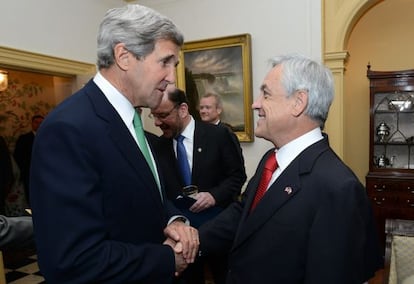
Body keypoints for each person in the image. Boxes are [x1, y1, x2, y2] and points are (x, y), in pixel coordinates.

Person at [30, 5, 199, 283]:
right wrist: (167, 259)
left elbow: (140, 196)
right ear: (124, 56)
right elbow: (72, 260)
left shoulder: (130, 120)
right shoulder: (68, 129)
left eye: (175, 65)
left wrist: (173, 221)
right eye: (165, 62)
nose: (171, 77)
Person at [198, 54, 383, 284]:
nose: (255, 104)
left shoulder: (338, 188)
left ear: (298, 102)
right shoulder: (271, 159)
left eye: (265, 94)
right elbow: (244, 214)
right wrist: (194, 239)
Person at [150, 86, 247, 284]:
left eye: (162, 115)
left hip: (218, 230)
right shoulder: (159, 147)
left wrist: (214, 196)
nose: (157, 122)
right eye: (154, 116)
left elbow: (237, 176)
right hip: (184, 239)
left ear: (183, 109)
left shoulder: (218, 135)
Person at [13, 114, 44, 206]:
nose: (38, 125)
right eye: (36, 122)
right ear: (32, 124)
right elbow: (18, 156)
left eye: (41, 123)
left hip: (46, 173)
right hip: (29, 174)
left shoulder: (49, 138)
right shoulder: (24, 138)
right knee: (31, 198)